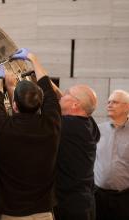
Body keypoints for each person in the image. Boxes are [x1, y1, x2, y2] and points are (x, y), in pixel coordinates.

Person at [0, 48, 61, 220]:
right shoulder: (52, 126)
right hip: (44, 212)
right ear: (40, 104)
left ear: (14, 106)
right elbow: (49, 92)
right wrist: (33, 58)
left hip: (12, 213)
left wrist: (0, 81)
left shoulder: (3, 129)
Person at [54, 85, 100, 220]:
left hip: (70, 206)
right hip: (86, 203)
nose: (62, 96)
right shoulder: (89, 124)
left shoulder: (68, 125)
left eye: (67, 93)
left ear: (75, 104)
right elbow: (66, 98)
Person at [94, 90, 129, 220]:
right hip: (98, 196)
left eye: (115, 102)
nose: (109, 105)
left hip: (124, 198)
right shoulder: (97, 130)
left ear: (127, 107)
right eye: (108, 102)